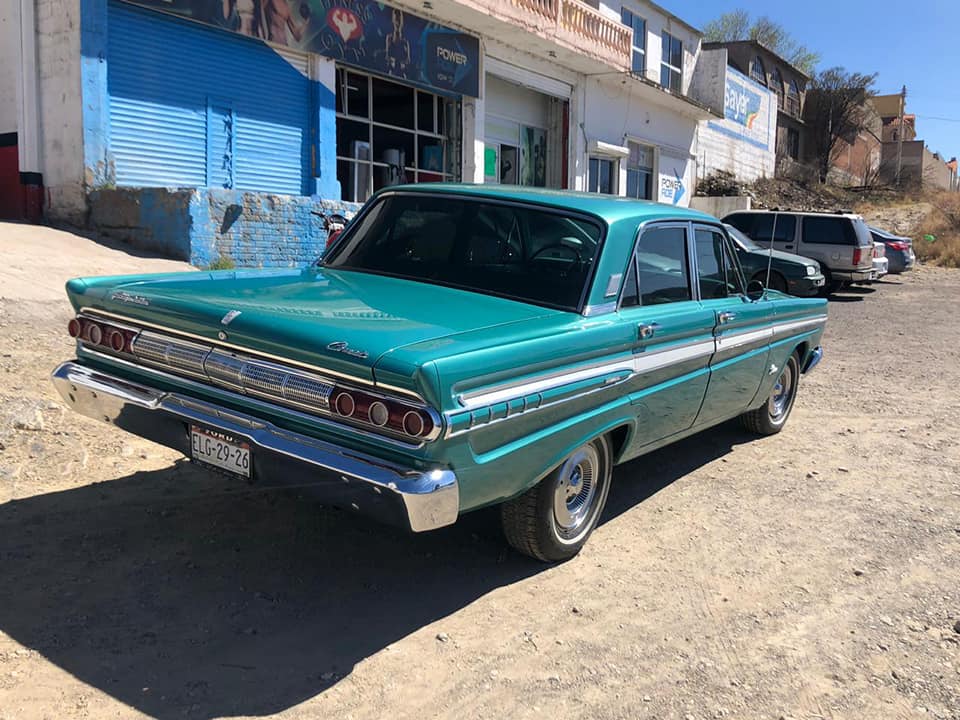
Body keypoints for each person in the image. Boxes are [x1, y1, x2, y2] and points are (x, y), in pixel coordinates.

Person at [385, 9, 411, 73]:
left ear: (402, 22)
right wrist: (392, 61)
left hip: (400, 69)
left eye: (399, 19)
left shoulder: (405, 42)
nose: (397, 21)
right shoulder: (389, 38)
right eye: (396, 19)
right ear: (393, 20)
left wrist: (402, 63)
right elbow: (387, 56)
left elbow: (408, 59)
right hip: (394, 68)